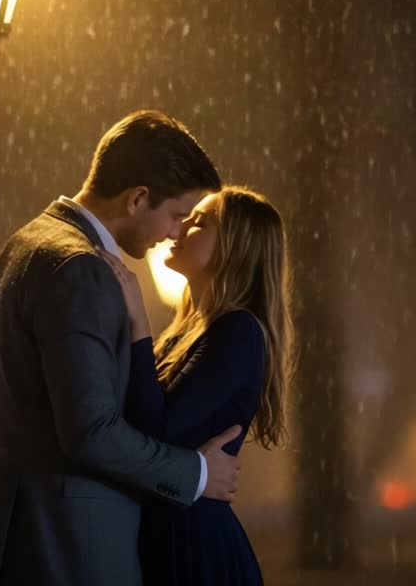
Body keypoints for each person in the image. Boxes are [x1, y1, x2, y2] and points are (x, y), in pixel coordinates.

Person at [0, 111, 245, 586]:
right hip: (71, 548)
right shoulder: (80, 269)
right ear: (137, 199)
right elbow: (89, 430)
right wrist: (196, 473)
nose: (174, 234)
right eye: (175, 216)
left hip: (15, 537)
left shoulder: (26, 245)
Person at [103, 186, 294, 586]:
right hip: (170, 535)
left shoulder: (238, 332)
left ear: (234, 248)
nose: (182, 225)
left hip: (194, 548)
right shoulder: (188, 332)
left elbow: (156, 429)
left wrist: (138, 323)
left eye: (200, 222)